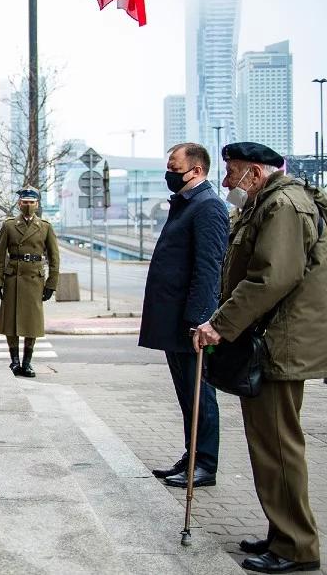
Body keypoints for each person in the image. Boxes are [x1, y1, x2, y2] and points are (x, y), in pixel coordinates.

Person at [193, 142, 327, 574]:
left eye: (232, 172)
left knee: (279, 446)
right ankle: (282, 530)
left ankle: (295, 547)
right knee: (270, 443)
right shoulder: (267, 202)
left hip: (278, 343)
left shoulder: (283, 206)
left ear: (254, 172)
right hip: (272, 340)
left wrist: (220, 324)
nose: (227, 181)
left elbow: (271, 278)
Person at [139, 143, 228, 490]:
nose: (169, 173)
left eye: (174, 168)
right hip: (175, 321)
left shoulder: (207, 207)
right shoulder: (186, 205)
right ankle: (192, 455)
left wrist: (201, 322)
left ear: (197, 170)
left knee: (200, 394)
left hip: (192, 324)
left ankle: (205, 463)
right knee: (187, 394)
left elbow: (208, 269)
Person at [0, 187, 59, 377]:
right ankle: (14, 362)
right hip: (13, 278)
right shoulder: (9, 226)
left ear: (37, 204)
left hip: (34, 280)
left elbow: (54, 258)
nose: (28, 205)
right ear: (19, 203)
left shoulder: (45, 227)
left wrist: (51, 284)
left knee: (32, 323)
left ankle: (27, 363)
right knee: (11, 322)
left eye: (31, 202)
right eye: (25, 202)